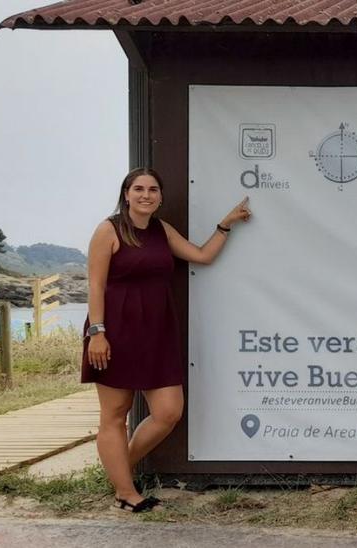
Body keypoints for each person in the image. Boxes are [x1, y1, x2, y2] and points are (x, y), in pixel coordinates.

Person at [84, 168, 251, 513]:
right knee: (115, 414)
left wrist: (226, 224)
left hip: (156, 332)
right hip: (114, 332)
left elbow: (202, 256)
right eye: (139, 189)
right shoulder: (108, 230)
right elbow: (96, 285)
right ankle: (127, 493)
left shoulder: (162, 230)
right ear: (126, 194)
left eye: (153, 189)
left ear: (160, 196)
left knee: (168, 412)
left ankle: (119, 471)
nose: (146, 195)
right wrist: (97, 333)